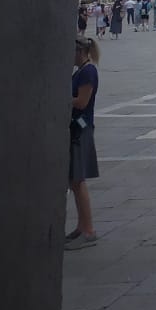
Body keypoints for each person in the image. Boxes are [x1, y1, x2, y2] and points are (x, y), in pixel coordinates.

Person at [66, 37, 101, 249]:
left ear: (79, 52)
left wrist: (59, 96)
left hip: (81, 128)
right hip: (77, 128)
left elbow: (82, 102)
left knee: (78, 181)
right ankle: (81, 226)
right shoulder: (81, 70)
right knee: (74, 181)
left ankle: (88, 230)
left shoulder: (88, 71)